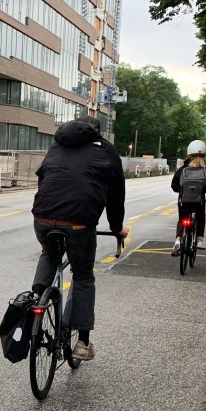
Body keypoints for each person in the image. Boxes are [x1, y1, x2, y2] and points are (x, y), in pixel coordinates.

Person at [30, 115, 128, 361]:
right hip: (78, 222)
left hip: (42, 216)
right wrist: (117, 228)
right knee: (83, 275)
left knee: (49, 253)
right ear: (96, 132)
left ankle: (35, 303)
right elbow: (116, 196)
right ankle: (82, 342)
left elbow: (43, 179)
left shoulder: (56, 146)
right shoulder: (106, 150)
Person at [171, 140, 206, 255]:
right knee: (200, 217)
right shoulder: (205, 170)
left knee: (182, 219)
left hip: (184, 202)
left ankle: (178, 240)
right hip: (198, 202)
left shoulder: (183, 169)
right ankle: (200, 239)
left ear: (189, 153)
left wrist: (180, 190)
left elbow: (174, 186)